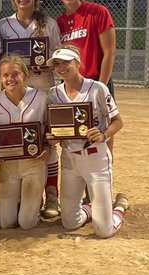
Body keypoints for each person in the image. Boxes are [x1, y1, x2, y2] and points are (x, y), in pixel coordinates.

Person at [0, 0, 62, 222]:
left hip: (42, 87)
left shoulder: (49, 24)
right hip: (14, 92)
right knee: (18, 138)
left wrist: (48, 64)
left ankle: (52, 194)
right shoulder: (4, 25)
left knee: (47, 141)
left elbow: (59, 59)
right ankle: (22, 193)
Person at [45, 45, 129, 239]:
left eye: (66, 62)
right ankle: (93, 208)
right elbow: (54, 129)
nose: (61, 67)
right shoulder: (54, 93)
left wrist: (103, 135)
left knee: (104, 231)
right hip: (69, 159)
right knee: (69, 222)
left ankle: (119, 207)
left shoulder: (97, 88)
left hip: (96, 159)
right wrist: (53, 138)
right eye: (57, 64)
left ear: (78, 63)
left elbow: (118, 121)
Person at [0, 54, 51, 230]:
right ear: (0, 78)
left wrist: (47, 147)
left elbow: (50, 127)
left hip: (34, 163)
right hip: (8, 166)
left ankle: (32, 203)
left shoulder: (40, 97)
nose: (11, 79)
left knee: (26, 223)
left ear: (25, 75)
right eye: (6, 75)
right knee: (5, 223)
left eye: (16, 74)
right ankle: (20, 201)